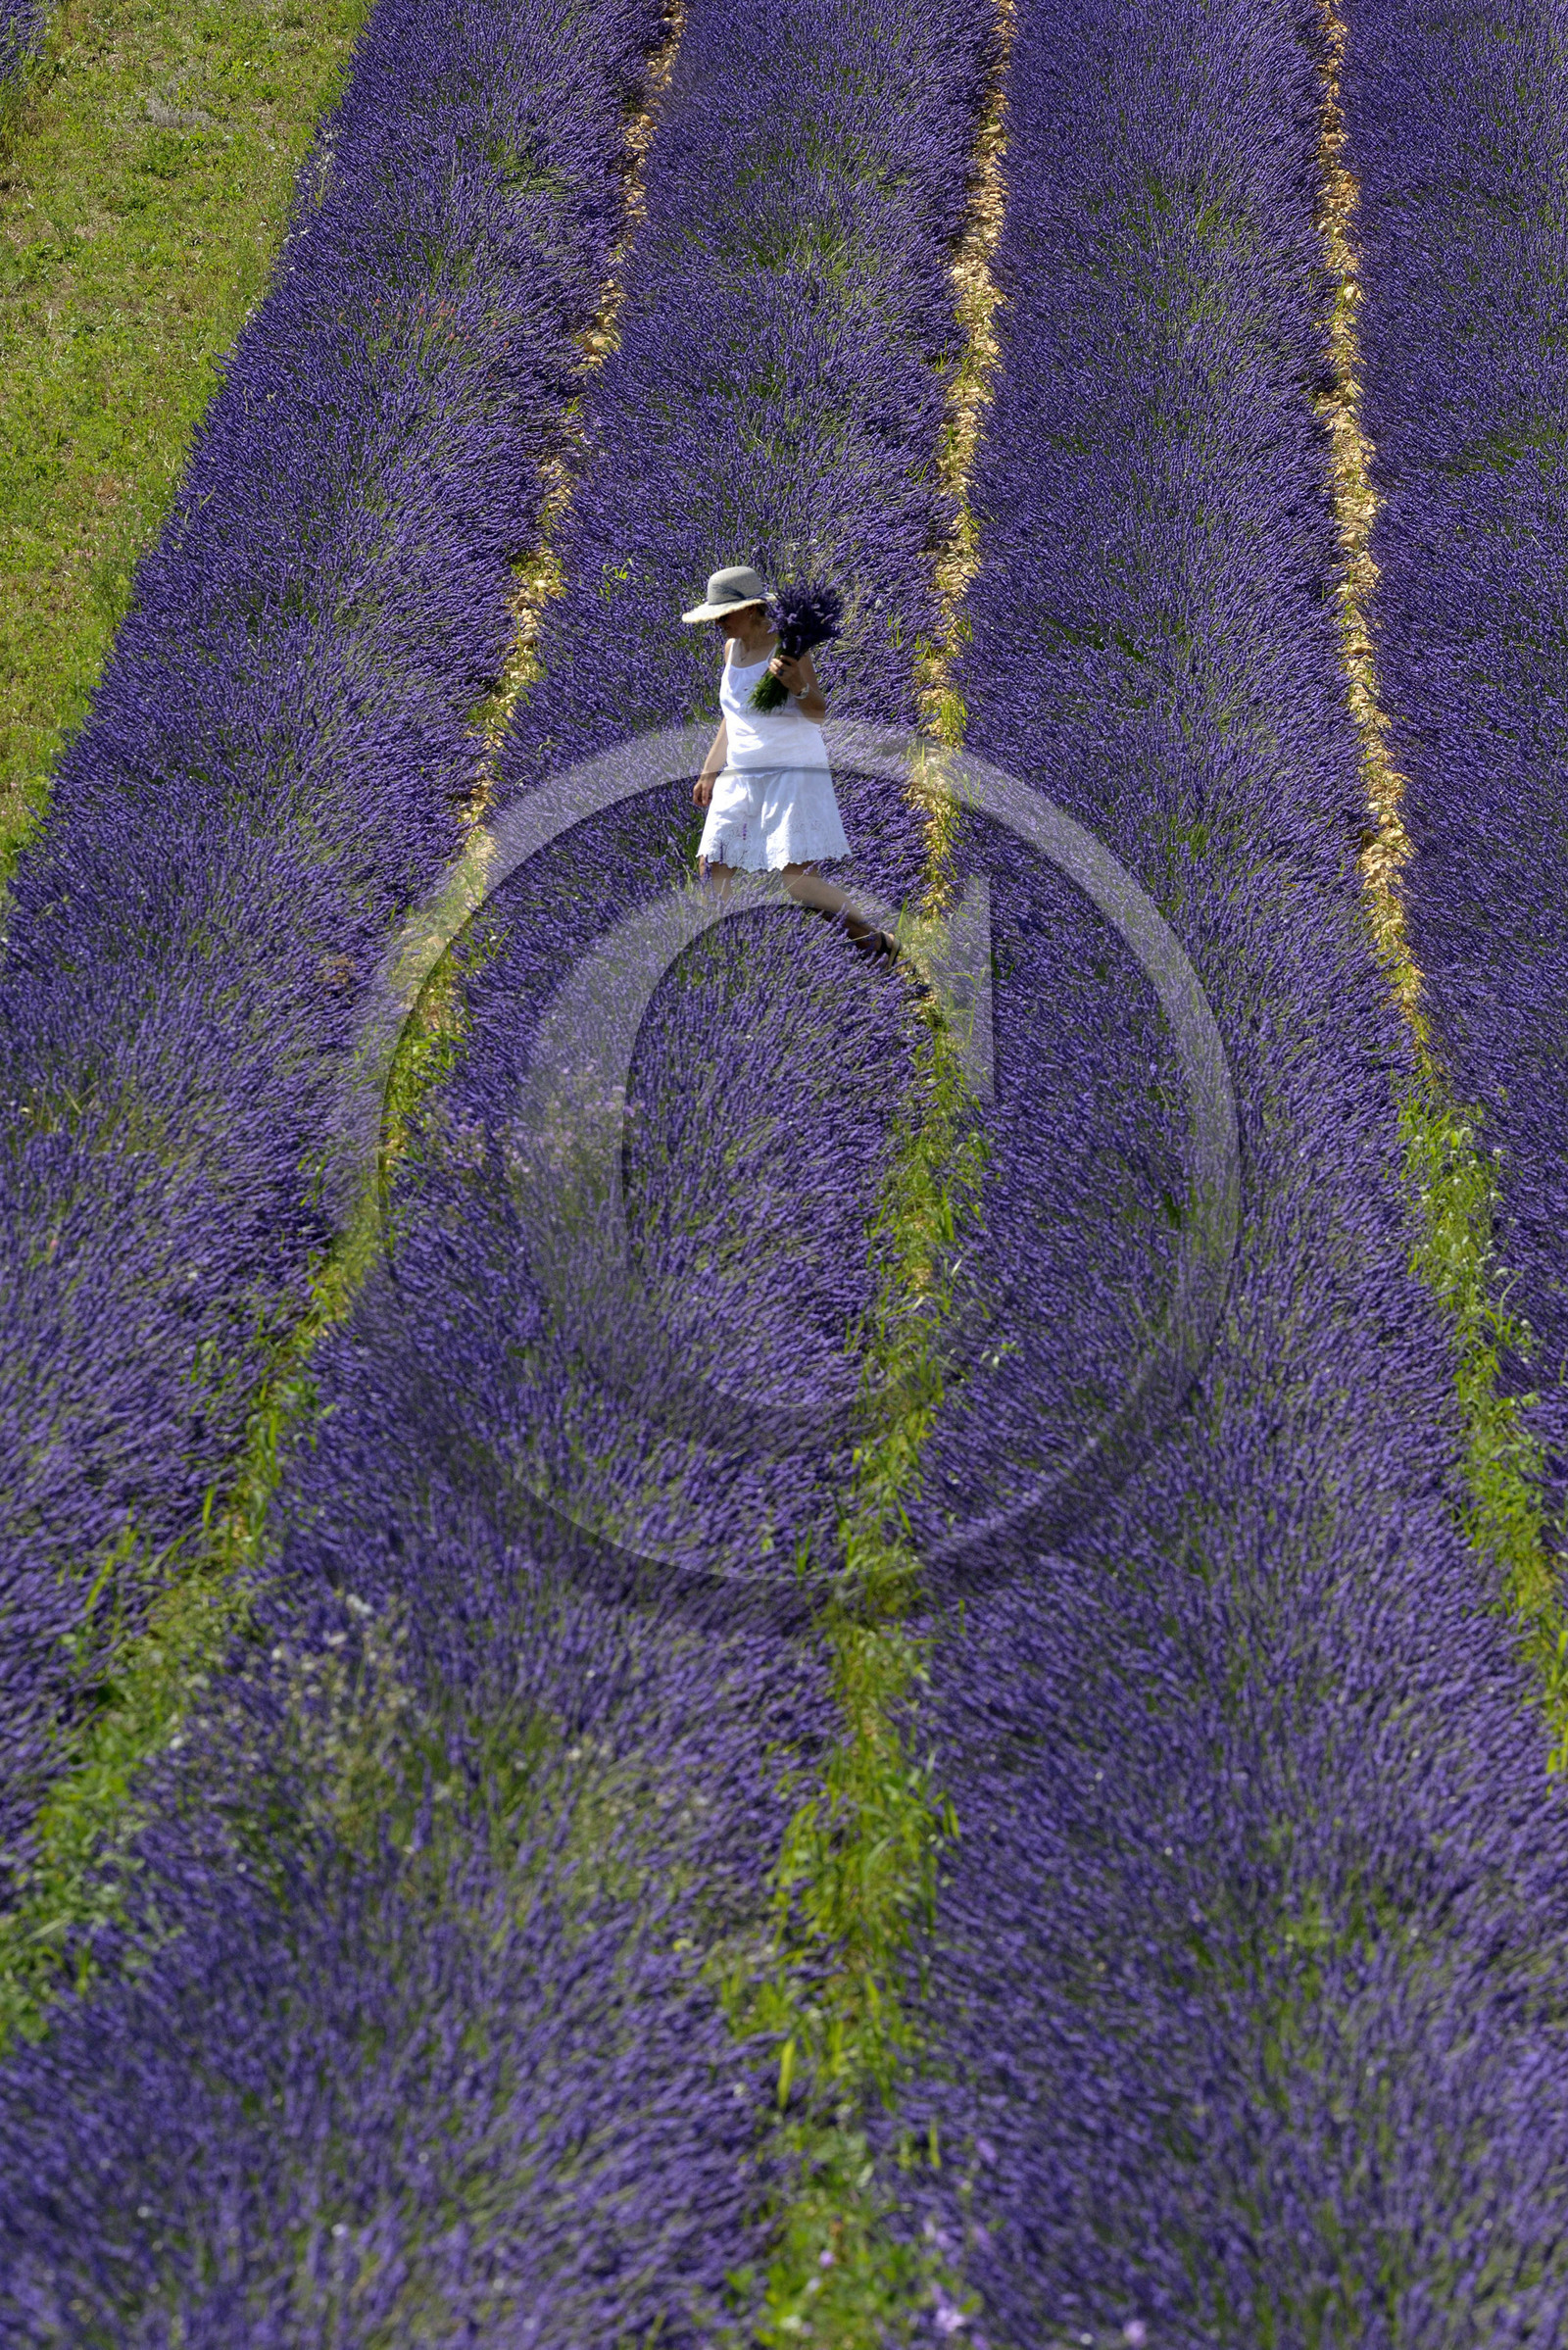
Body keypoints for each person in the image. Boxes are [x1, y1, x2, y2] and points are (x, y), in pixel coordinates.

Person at [681, 564, 899, 961]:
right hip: (741, 772)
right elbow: (733, 716)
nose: (718, 623)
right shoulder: (731, 649)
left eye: (723, 615)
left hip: (792, 772)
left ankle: (875, 942)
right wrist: (710, 769)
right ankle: (728, 959)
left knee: (799, 884)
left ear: (750, 610)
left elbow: (817, 714)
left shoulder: (787, 648)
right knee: (712, 864)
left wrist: (795, 685)